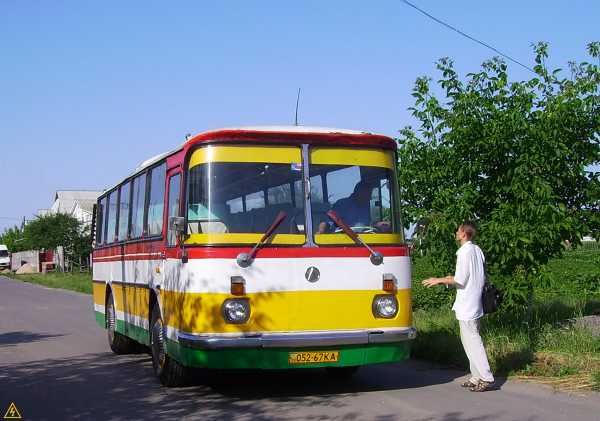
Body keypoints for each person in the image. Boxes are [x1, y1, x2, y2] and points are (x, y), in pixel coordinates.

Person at [422, 221, 495, 392]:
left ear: (463, 234)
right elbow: (472, 276)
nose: (455, 232)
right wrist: (448, 277)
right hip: (475, 301)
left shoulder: (464, 252)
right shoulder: (477, 250)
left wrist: (438, 280)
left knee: (473, 341)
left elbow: (459, 280)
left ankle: (486, 377)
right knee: (468, 341)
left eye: (458, 230)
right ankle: (476, 376)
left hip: (467, 304)